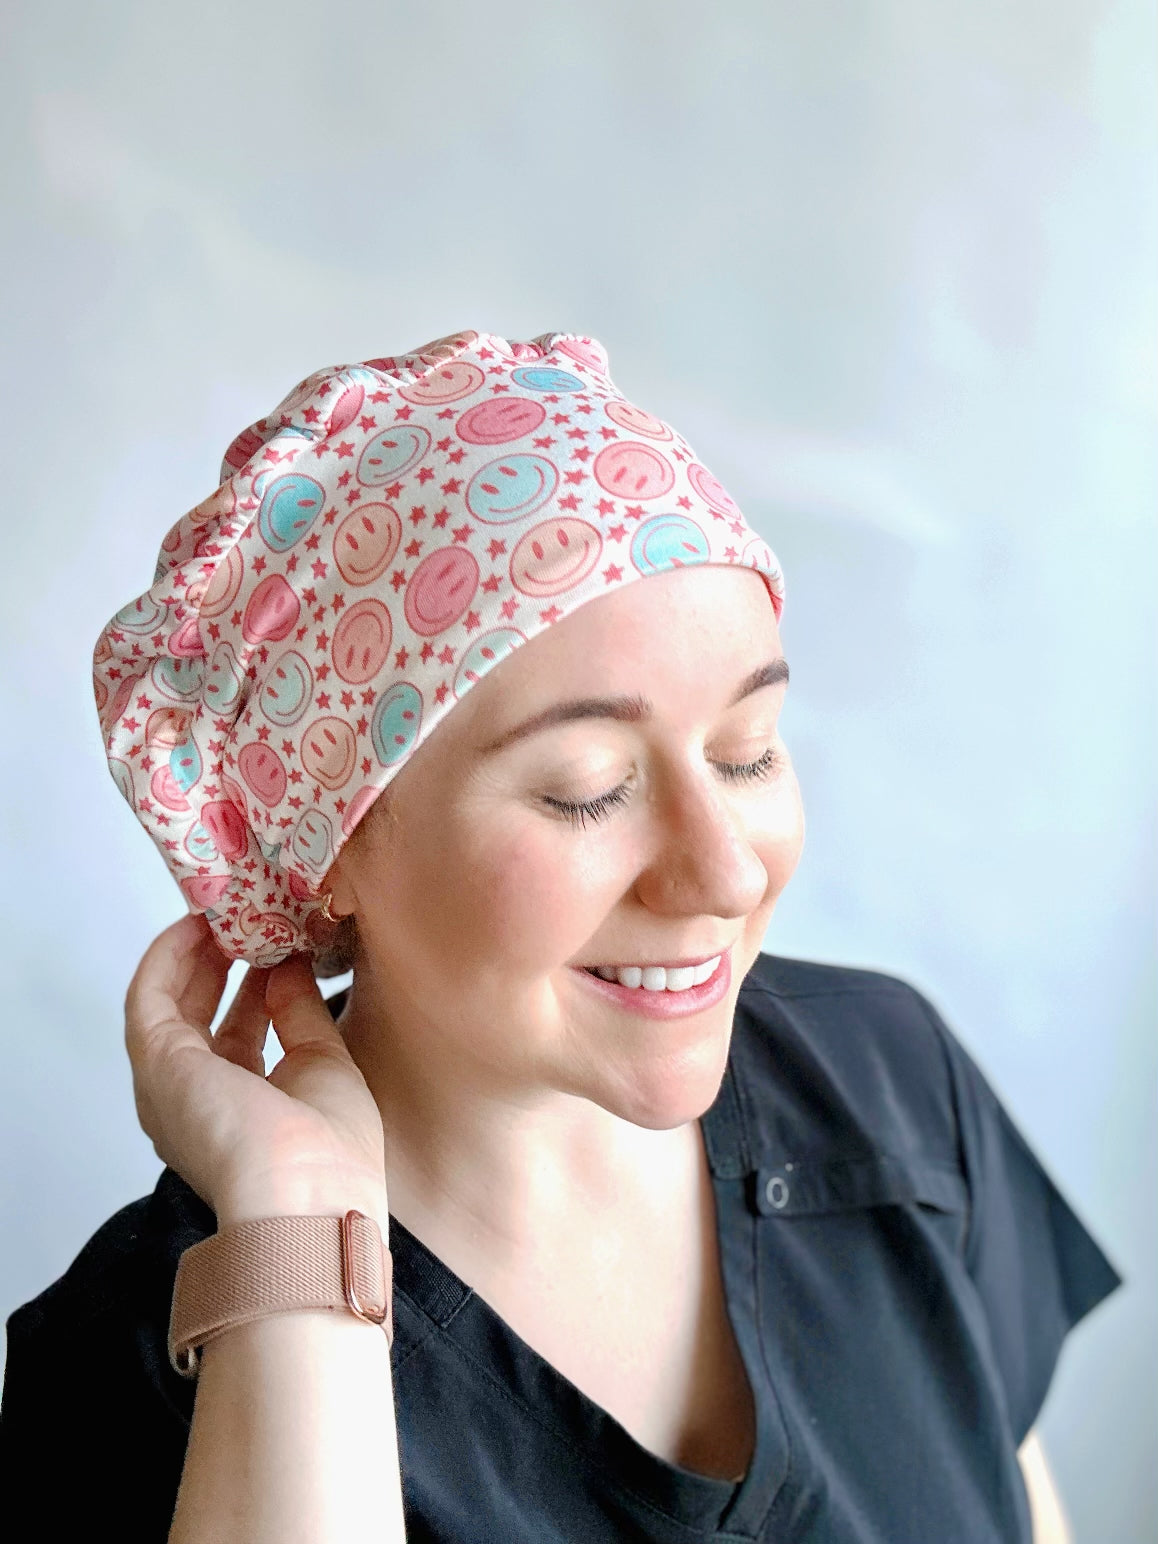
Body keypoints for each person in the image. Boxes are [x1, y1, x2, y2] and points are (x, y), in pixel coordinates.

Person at [0, 330, 1121, 1542]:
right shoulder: (128, 1368)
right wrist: (295, 1239)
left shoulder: (886, 1082)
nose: (726, 869)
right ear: (330, 849)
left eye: (749, 750)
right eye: (588, 787)